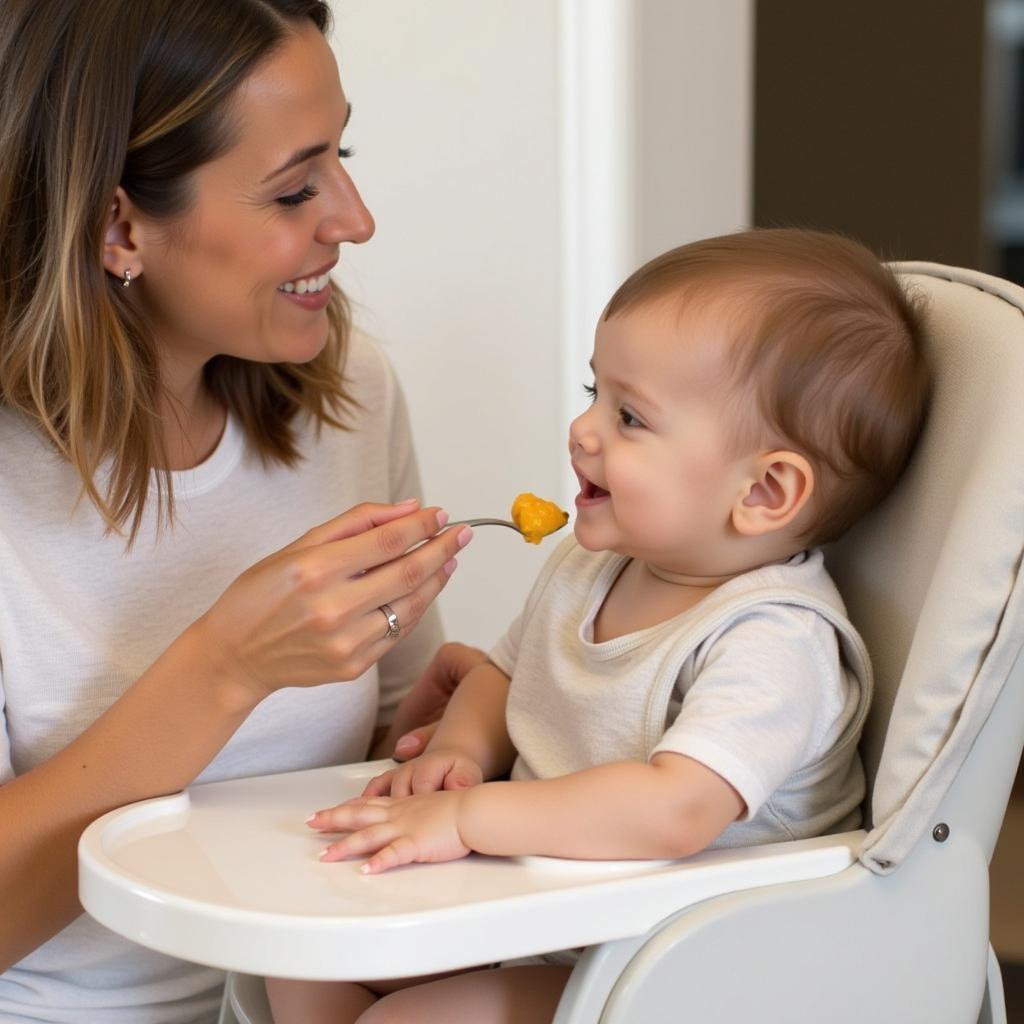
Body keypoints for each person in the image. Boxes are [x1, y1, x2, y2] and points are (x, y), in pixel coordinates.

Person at [267, 228, 931, 1024]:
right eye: (594, 395)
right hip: (561, 922)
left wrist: (468, 819)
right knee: (301, 955)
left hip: (699, 970)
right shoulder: (593, 566)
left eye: (630, 417)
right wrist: (458, 755)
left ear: (763, 493)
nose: (584, 431)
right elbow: (506, 677)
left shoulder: (774, 643)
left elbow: (675, 808)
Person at [0, 2, 482, 1021]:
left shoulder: (347, 389)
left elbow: (390, 732)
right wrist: (226, 665)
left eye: (340, 154)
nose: (353, 218)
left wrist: (467, 732)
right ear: (121, 227)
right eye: (295, 187)